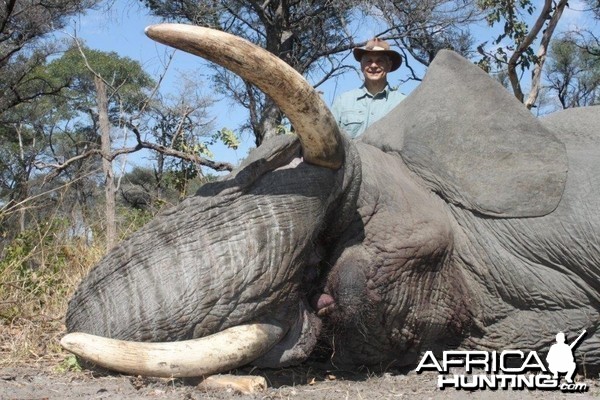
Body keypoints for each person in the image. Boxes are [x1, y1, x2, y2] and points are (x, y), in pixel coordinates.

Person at [331, 37, 406, 138]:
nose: (374, 65)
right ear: (362, 66)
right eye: (368, 61)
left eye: (380, 61)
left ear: (389, 66)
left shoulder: (403, 103)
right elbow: (329, 137)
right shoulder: (343, 101)